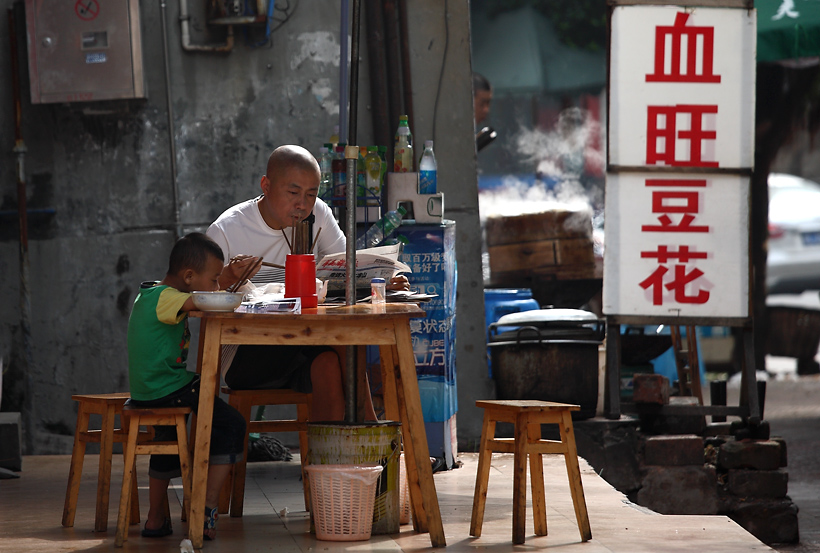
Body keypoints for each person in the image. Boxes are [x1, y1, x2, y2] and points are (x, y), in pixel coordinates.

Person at [207, 144, 406, 421]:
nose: (302, 204)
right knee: (343, 343)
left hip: (305, 343)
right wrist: (228, 277)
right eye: (292, 193)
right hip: (246, 353)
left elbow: (348, 265)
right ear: (265, 185)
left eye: (311, 194)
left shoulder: (318, 215)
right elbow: (198, 296)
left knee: (329, 363)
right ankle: (372, 429)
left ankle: (336, 460)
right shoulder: (227, 230)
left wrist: (381, 278)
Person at [126, 232, 246, 541]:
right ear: (189, 276)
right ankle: (207, 505)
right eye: (214, 279)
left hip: (148, 391)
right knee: (232, 423)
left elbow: (200, 297)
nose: (217, 286)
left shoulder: (150, 293)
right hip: (166, 388)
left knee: (167, 441)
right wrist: (231, 292)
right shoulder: (167, 297)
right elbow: (206, 301)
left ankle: (155, 519)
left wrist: (223, 278)